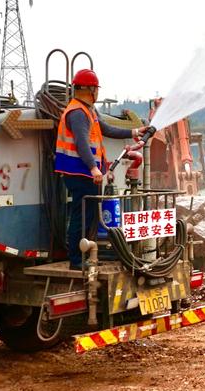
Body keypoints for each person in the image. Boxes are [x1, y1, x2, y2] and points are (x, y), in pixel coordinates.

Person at [54, 69, 144, 269]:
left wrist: (134, 131)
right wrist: (94, 168)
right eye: (96, 88)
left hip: (84, 172)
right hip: (78, 172)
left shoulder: (88, 110)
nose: (97, 92)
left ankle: (86, 255)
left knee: (89, 216)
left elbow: (106, 128)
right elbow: (81, 143)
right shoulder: (77, 113)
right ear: (90, 90)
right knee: (82, 215)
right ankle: (77, 260)